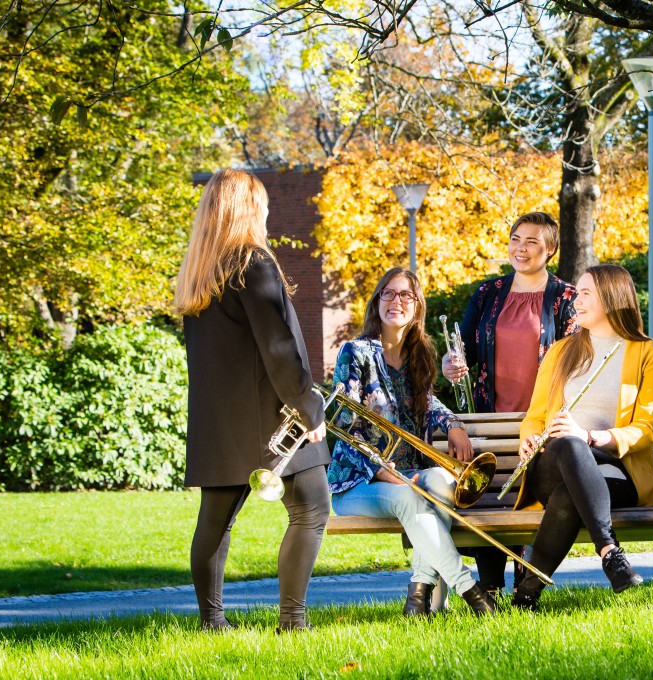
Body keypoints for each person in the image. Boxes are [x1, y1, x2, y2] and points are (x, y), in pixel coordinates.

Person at [175, 168, 330, 633]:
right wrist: (308, 407)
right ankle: (293, 622)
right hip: (273, 417)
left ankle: (212, 622)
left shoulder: (200, 273)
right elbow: (278, 346)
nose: (267, 213)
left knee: (214, 524)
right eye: (262, 205)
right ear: (247, 208)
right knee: (313, 509)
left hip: (220, 423)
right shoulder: (252, 263)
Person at [327, 267, 498, 617]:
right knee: (412, 495)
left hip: (411, 475)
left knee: (440, 481)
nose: (396, 301)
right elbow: (348, 422)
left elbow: (427, 401)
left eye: (406, 295)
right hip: (357, 482)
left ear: (417, 306)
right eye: (388, 293)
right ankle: (471, 590)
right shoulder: (356, 352)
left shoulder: (418, 355)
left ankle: (422, 598)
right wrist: (382, 470)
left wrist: (452, 425)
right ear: (377, 302)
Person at [509, 264, 653, 611]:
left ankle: (526, 594)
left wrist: (592, 436)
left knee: (571, 489)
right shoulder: (560, 352)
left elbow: (645, 429)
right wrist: (529, 437)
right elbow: (535, 416)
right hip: (552, 464)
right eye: (576, 292)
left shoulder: (649, 354)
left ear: (611, 298)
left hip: (613, 471)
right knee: (568, 442)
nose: (575, 300)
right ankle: (610, 551)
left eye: (585, 293)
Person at [441, 211, 577, 594]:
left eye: (532, 241)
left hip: (541, 420)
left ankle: (526, 583)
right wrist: (451, 363)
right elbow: (461, 348)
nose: (521, 248)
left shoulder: (566, 298)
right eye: (516, 238)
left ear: (550, 249)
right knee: (491, 493)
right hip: (490, 416)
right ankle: (489, 585)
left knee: (531, 497)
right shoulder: (488, 294)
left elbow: (575, 359)